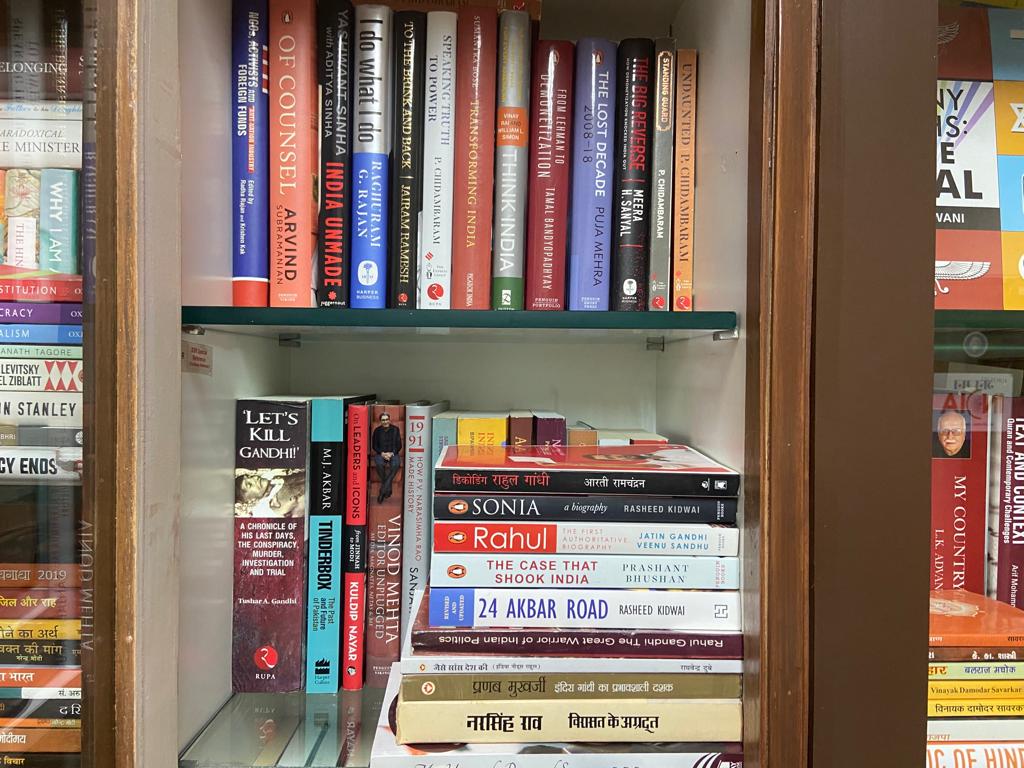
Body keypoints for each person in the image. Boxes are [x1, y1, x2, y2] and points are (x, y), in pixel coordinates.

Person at [371, 411, 403, 503]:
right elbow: (374, 445)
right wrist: (382, 453)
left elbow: (399, 445)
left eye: (386, 419)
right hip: (381, 453)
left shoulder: (395, 429)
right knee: (379, 464)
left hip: (393, 453)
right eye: (383, 420)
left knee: (396, 464)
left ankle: (382, 492)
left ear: (389, 420)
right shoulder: (377, 431)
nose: (385, 422)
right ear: (380, 421)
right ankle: (388, 489)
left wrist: (391, 453)